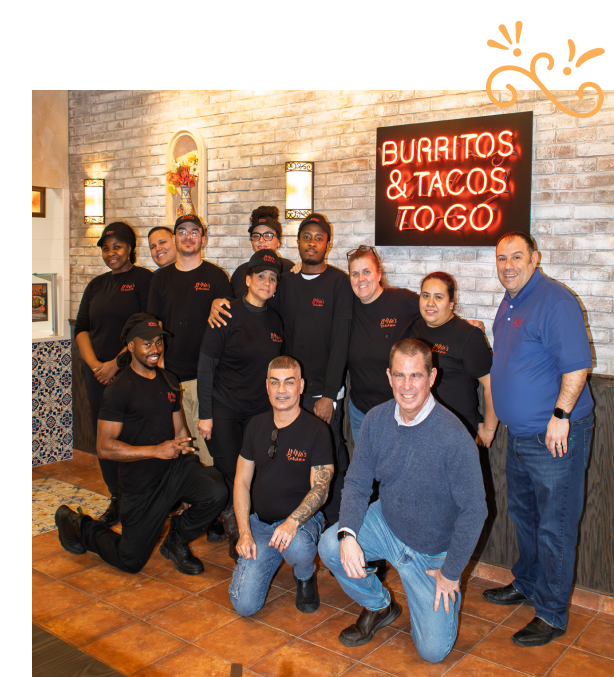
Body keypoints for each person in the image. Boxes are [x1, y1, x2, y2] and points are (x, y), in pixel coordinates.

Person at [319, 339, 487, 664]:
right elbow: (357, 482)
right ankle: (379, 605)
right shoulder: (376, 420)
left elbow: (475, 511)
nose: (406, 386)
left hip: (431, 554)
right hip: (388, 524)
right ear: (389, 376)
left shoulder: (454, 436)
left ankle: (427, 594)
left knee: (433, 651)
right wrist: (348, 534)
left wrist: (451, 572)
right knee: (330, 544)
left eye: (415, 376)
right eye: (399, 375)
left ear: (432, 377)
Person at [483, 232, 594, 647]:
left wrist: (560, 416)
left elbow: (577, 366)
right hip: (520, 435)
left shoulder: (555, 301)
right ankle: (528, 583)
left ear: (535, 258)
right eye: (501, 258)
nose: (508, 265)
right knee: (525, 518)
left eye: (517, 257)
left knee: (554, 526)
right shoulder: (511, 300)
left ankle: (551, 612)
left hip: (554, 437)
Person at [55, 314, 228, 575]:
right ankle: (78, 526)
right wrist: (156, 451)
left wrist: (189, 480)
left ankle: (176, 541)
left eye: (158, 342)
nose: (155, 349)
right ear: (130, 346)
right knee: (130, 560)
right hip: (140, 483)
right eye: (147, 344)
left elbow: (180, 431)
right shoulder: (118, 390)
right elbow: (104, 447)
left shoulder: (169, 380)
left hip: (173, 472)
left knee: (215, 488)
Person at [210, 212, 352, 527]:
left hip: (322, 393)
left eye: (319, 238)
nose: (312, 243)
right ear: (297, 242)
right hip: (286, 391)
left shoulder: (338, 282)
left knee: (330, 460)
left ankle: (334, 528)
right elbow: (255, 308)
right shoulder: (284, 282)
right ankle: (293, 523)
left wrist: (329, 395)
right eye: (306, 237)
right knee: (289, 460)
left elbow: (341, 341)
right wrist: (220, 303)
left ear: (327, 244)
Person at [197, 249, 285, 560]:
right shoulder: (226, 313)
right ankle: (236, 526)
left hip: (258, 412)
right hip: (224, 407)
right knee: (231, 469)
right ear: (247, 279)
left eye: (272, 278)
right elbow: (206, 365)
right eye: (260, 276)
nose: (266, 282)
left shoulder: (275, 320)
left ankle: (242, 522)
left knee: (253, 469)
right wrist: (205, 414)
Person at [230, 356, 334, 616]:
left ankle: (304, 575)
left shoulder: (317, 430)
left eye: (289, 382)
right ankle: (273, 552)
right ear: (267, 386)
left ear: (301, 385)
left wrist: (291, 523)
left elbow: (321, 489)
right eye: (275, 382)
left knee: (297, 545)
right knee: (244, 606)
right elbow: (241, 481)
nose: (281, 390)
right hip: (261, 525)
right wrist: (244, 532)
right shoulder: (256, 426)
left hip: (301, 525)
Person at [75, 222, 153, 525]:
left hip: (131, 372)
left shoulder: (143, 279)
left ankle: (139, 498)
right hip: (97, 375)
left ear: (130, 248)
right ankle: (117, 498)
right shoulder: (96, 285)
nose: (111, 253)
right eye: (106, 249)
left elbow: (146, 327)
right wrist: (96, 365)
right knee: (105, 438)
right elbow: (82, 328)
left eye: (117, 247)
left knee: (133, 434)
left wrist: (115, 364)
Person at [147, 214, 233, 465]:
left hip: (206, 378)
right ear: (175, 239)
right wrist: (158, 365)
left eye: (194, 232)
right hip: (169, 376)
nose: (188, 236)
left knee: (206, 446)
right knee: (175, 444)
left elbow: (228, 329)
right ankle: (183, 487)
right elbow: (154, 325)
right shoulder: (160, 279)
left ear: (203, 239)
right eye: (182, 231)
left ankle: (208, 489)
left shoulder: (217, 277)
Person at [409, 271, 498, 446]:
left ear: (451, 303)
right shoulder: (414, 327)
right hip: (419, 430)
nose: (430, 303)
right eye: (425, 295)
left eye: (438, 297)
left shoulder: (469, 336)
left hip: (457, 433)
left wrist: (489, 429)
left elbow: (492, 385)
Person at [346, 245, 420, 440]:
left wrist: (462, 324)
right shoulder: (347, 306)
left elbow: (434, 310)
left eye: (366, 272)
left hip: (397, 411)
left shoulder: (401, 301)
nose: (361, 279)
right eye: (354, 274)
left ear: (378, 274)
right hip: (360, 412)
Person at [229, 205, 295, 298]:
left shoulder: (289, 269)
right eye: (256, 236)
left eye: (268, 235)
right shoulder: (240, 272)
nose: (261, 240)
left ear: (278, 241)